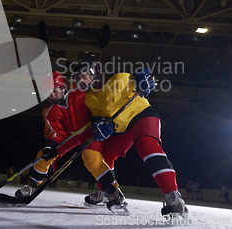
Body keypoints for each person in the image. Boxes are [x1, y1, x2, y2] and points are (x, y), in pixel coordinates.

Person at [15, 65, 123, 213]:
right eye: (47, 92)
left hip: (90, 131)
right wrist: (51, 144)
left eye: (55, 90)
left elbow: (99, 102)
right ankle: (33, 186)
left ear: (62, 86)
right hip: (70, 136)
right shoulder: (49, 111)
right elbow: (56, 132)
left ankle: (113, 192)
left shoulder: (79, 91)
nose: (52, 95)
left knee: (90, 157)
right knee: (44, 155)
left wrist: (101, 118)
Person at [85, 69, 188, 218]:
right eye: (81, 77)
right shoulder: (88, 98)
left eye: (88, 75)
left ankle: (173, 197)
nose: (86, 79)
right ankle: (107, 191)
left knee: (147, 144)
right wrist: (98, 124)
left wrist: (147, 80)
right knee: (105, 157)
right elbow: (97, 117)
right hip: (120, 128)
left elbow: (145, 80)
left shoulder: (120, 78)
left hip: (142, 114)